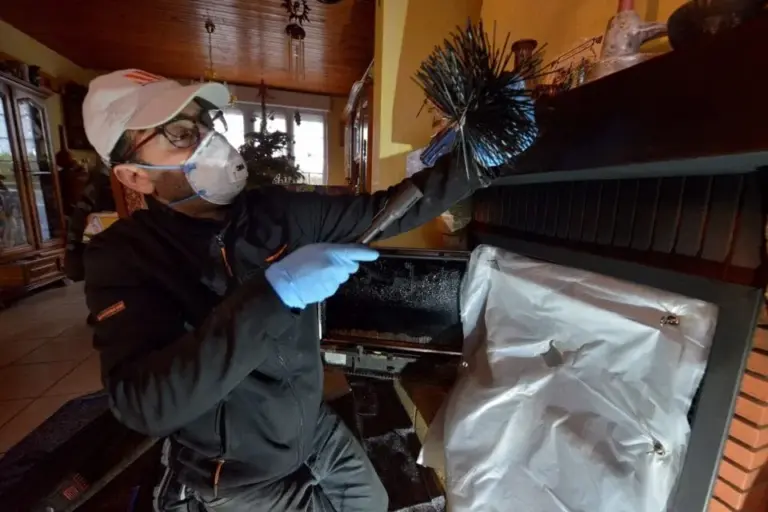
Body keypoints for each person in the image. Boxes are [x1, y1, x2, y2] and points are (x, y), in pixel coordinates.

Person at [82, 69, 483, 512]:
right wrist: (274, 294)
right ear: (135, 176)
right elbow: (147, 403)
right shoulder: (123, 257)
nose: (208, 139)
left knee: (373, 502)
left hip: (313, 429)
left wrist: (482, 155)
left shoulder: (276, 212)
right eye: (179, 132)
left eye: (204, 123)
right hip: (238, 472)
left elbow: (388, 209)